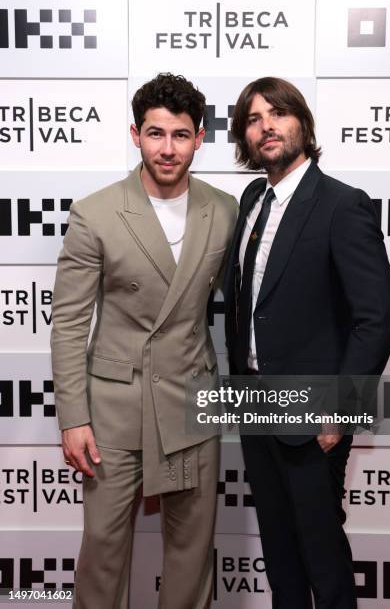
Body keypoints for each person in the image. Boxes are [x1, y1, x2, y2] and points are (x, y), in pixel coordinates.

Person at [51, 73, 238, 609]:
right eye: (156, 134)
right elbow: (68, 322)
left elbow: (247, 304)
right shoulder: (97, 212)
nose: (168, 148)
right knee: (105, 550)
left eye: (181, 135)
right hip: (114, 408)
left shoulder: (223, 209)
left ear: (200, 138)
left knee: (191, 552)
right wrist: (73, 417)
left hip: (191, 399)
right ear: (135, 134)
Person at [224, 77, 390, 608]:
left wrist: (339, 412)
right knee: (280, 555)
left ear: (303, 122)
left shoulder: (342, 205)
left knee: (323, 557)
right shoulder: (253, 198)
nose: (267, 126)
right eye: (254, 119)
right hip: (255, 405)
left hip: (312, 416)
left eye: (278, 113)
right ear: (244, 137)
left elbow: (378, 318)